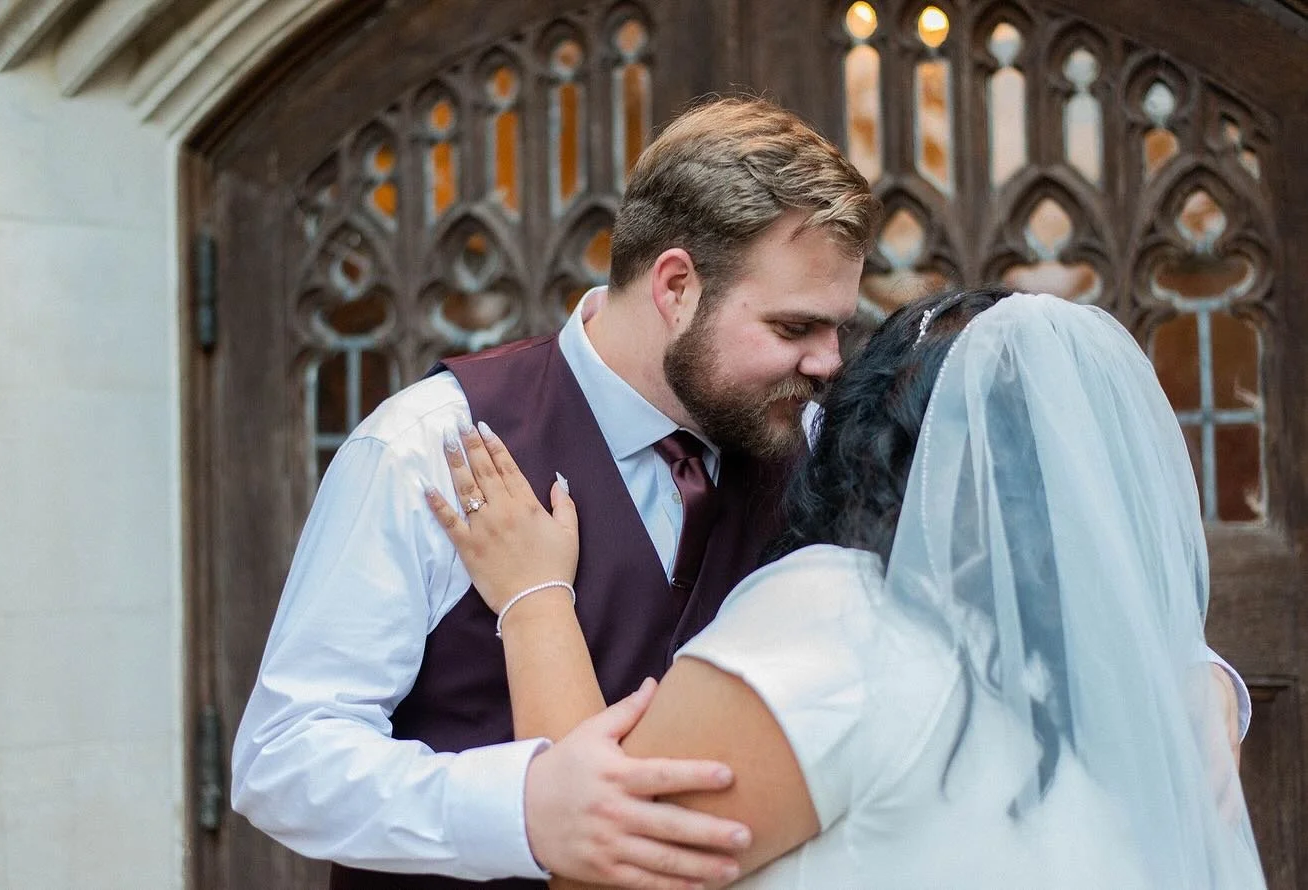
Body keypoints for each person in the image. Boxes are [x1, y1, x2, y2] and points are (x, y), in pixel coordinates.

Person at [231, 96, 883, 890]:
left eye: (837, 329)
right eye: (793, 329)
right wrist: (521, 810)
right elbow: (282, 758)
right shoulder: (427, 448)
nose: (829, 363)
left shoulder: (808, 450)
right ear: (676, 286)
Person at [428, 288, 1264, 888]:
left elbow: (601, 859)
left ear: (868, 437)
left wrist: (533, 598)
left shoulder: (842, 620)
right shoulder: (1127, 683)